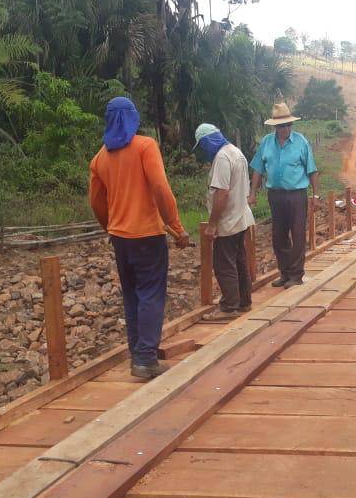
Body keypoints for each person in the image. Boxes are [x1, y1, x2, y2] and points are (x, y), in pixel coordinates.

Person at [89, 97, 190, 380]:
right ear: (133, 118)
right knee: (150, 294)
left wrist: (111, 225)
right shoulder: (145, 146)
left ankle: (138, 353)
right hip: (147, 235)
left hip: (120, 239)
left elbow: (97, 202)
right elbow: (159, 186)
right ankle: (145, 359)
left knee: (132, 296)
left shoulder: (99, 159)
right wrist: (176, 226)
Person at [249, 102, 321, 288]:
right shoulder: (266, 142)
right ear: (275, 127)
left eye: (288, 125)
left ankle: (296, 275)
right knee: (278, 235)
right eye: (282, 126)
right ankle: (285, 272)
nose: (286, 129)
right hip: (275, 195)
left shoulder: (301, 142)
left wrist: (316, 195)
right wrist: (253, 193)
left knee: (297, 234)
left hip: (297, 195)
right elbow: (257, 169)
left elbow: (312, 170)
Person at [195, 123, 256, 321]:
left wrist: (213, 224)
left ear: (209, 141)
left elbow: (222, 193)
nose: (204, 150)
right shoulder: (236, 152)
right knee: (239, 260)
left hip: (228, 220)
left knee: (224, 264)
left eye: (203, 145)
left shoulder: (222, 157)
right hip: (241, 217)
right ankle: (244, 302)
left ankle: (229, 307)